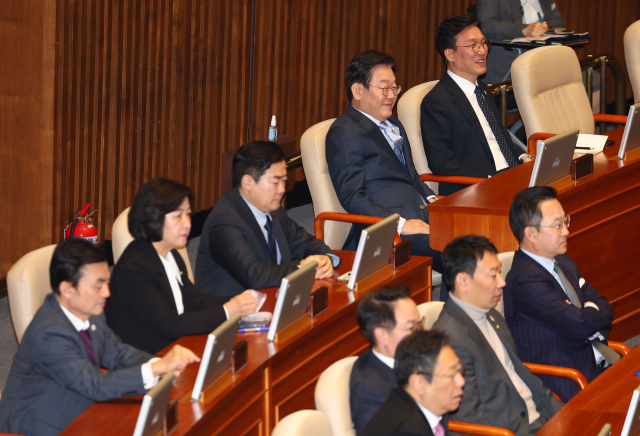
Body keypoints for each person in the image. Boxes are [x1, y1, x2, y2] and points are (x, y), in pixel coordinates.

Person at [0, 239, 200, 436]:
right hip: (41, 426)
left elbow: (117, 352)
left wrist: (160, 363)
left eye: (107, 282)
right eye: (98, 286)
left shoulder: (91, 310)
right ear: (67, 289)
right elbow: (94, 385)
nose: (106, 292)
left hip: (84, 407)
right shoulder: (49, 334)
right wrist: (155, 369)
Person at [106, 178, 259, 354]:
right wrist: (227, 310)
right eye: (178, 216)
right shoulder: (133, 269)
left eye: (187, 214)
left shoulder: (171, 255)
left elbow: (194, 301)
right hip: (147, 362)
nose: (187, 223)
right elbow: (170, 324)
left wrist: (239, 301)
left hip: (177, 349)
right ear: (152, 217)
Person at [432, 235, 563, 436]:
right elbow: (466, 419)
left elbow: (520, 374)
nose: (502, 282)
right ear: (463, 281)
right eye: (493, 275)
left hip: (540, 417)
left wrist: (564, 413)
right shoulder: (449, 339)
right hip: (513, 430)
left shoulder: (491, 314)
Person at [325, 49, 442, 272]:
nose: (392, 95)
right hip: (390, 234)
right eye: (384, 88)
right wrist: (402, 224)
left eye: (394, 87)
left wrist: (436, 203)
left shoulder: (394, 124)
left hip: (423, 218)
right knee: (461, 253)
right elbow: (352, 196)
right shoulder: (344, 131)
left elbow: (413, 178)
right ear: (358, 90)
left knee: (476, 236)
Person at [504, 186, 616, 402]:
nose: (566, 231)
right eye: (557, 225)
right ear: (531, 233)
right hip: (564, 380)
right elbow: (581, 325)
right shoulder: (525, 281)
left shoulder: (564, 261)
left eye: (566, 222)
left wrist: (587, 312)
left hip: (596, 361)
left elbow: (605, 307)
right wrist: (588, 311)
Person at [195, 141, 339, 296]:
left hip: (274, 298)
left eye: (284, 181)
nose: (282, 190)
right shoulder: (225, 222)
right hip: (234, 313)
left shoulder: (273, 209)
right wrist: (303, 271)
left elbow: (306, 243)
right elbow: (254, 275)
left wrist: (325, 259)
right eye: (275, 182)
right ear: (247, 182)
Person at [421, 15, 528, 197]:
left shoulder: (483, 89)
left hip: (510, 175)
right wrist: (488, 180)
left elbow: (500, 135)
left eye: (484, 43)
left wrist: (524, 157)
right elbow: (442, 161)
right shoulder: (436, 102)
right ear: (450, 54)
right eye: (473, 46)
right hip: (476, 187)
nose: (482, 51)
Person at [360, 330, 464, 436]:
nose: (461, 381)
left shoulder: (418, 404)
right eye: (451, 375)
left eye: (459, 371)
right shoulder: (406, 430)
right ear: (417, 383)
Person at [350, 287, 423, 434]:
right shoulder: (369, 391)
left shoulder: (417, 357)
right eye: (411, 328)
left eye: (420, 323)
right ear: (382, 335)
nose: (421, 333)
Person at [477, 0, 565, 85]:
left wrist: (543, 27)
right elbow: (486, 25)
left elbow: (558, 21)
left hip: (543, 62)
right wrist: (523, 29)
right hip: (507, 63)